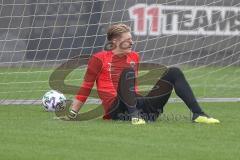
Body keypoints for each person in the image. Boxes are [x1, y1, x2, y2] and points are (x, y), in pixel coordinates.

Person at [67, 23, 220, 125]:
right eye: (128, 40)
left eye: (131, 39)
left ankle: (198, 114)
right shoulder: (98, 58)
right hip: (116, 109)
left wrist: (144, 103)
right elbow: (86, 88)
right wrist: (73, 113)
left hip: (140, 107)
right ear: (114, 42)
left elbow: (133, 88)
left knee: (174, 71)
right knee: (127, 72)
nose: (132, 42)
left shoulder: (134, 56)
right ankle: (135, 117)